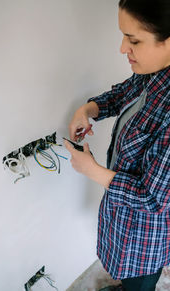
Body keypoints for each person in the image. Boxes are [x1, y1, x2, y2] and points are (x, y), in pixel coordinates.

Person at [64, 0, 170, 290]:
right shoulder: (153, 75)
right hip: (124, 219)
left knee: (140, 281)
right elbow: (125, 92)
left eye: (134, 40)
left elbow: (152, 198)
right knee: (126, 273)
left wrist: (91, 169)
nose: (123, 48)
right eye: (124, 36)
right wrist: (89, 109)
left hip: (146, 235)